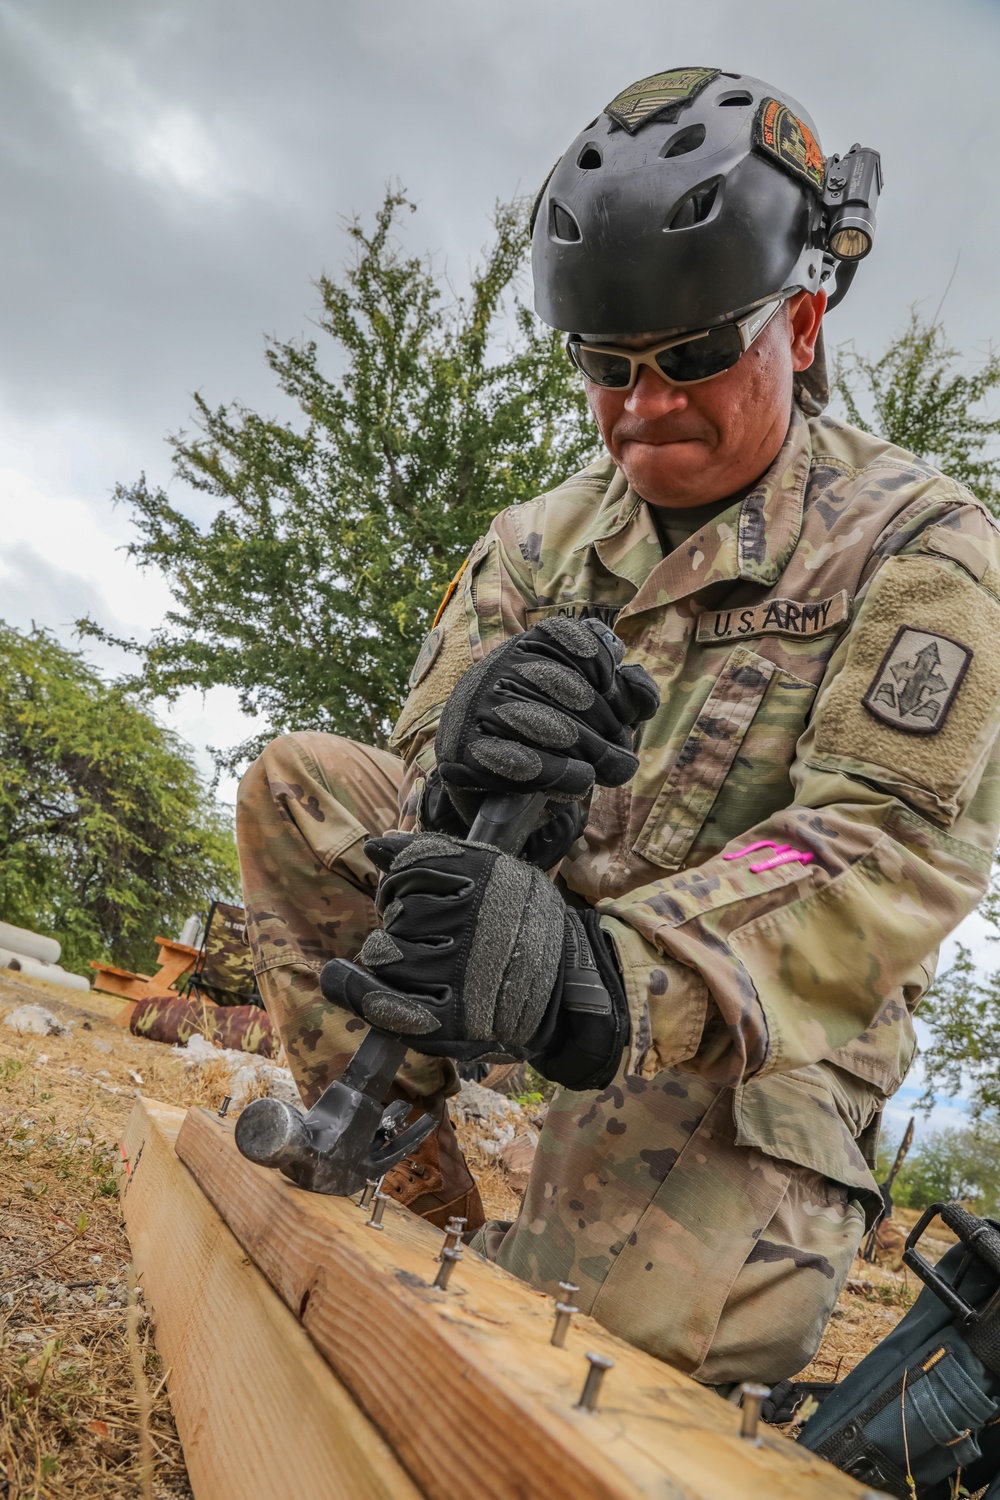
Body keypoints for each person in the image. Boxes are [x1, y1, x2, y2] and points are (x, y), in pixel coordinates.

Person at [236, 67, 1000, 1385]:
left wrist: (607, 978)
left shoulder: (925, 548)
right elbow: (420, 787)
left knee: (576, 1370)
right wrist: (456, 760)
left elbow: (882, 848)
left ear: (802, 326)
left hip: (753, 1032)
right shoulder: (538, 540)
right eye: (606, 365)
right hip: (518, 944)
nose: (645, 406)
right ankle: (401, 1176)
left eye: (697, 355)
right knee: (302, 786)